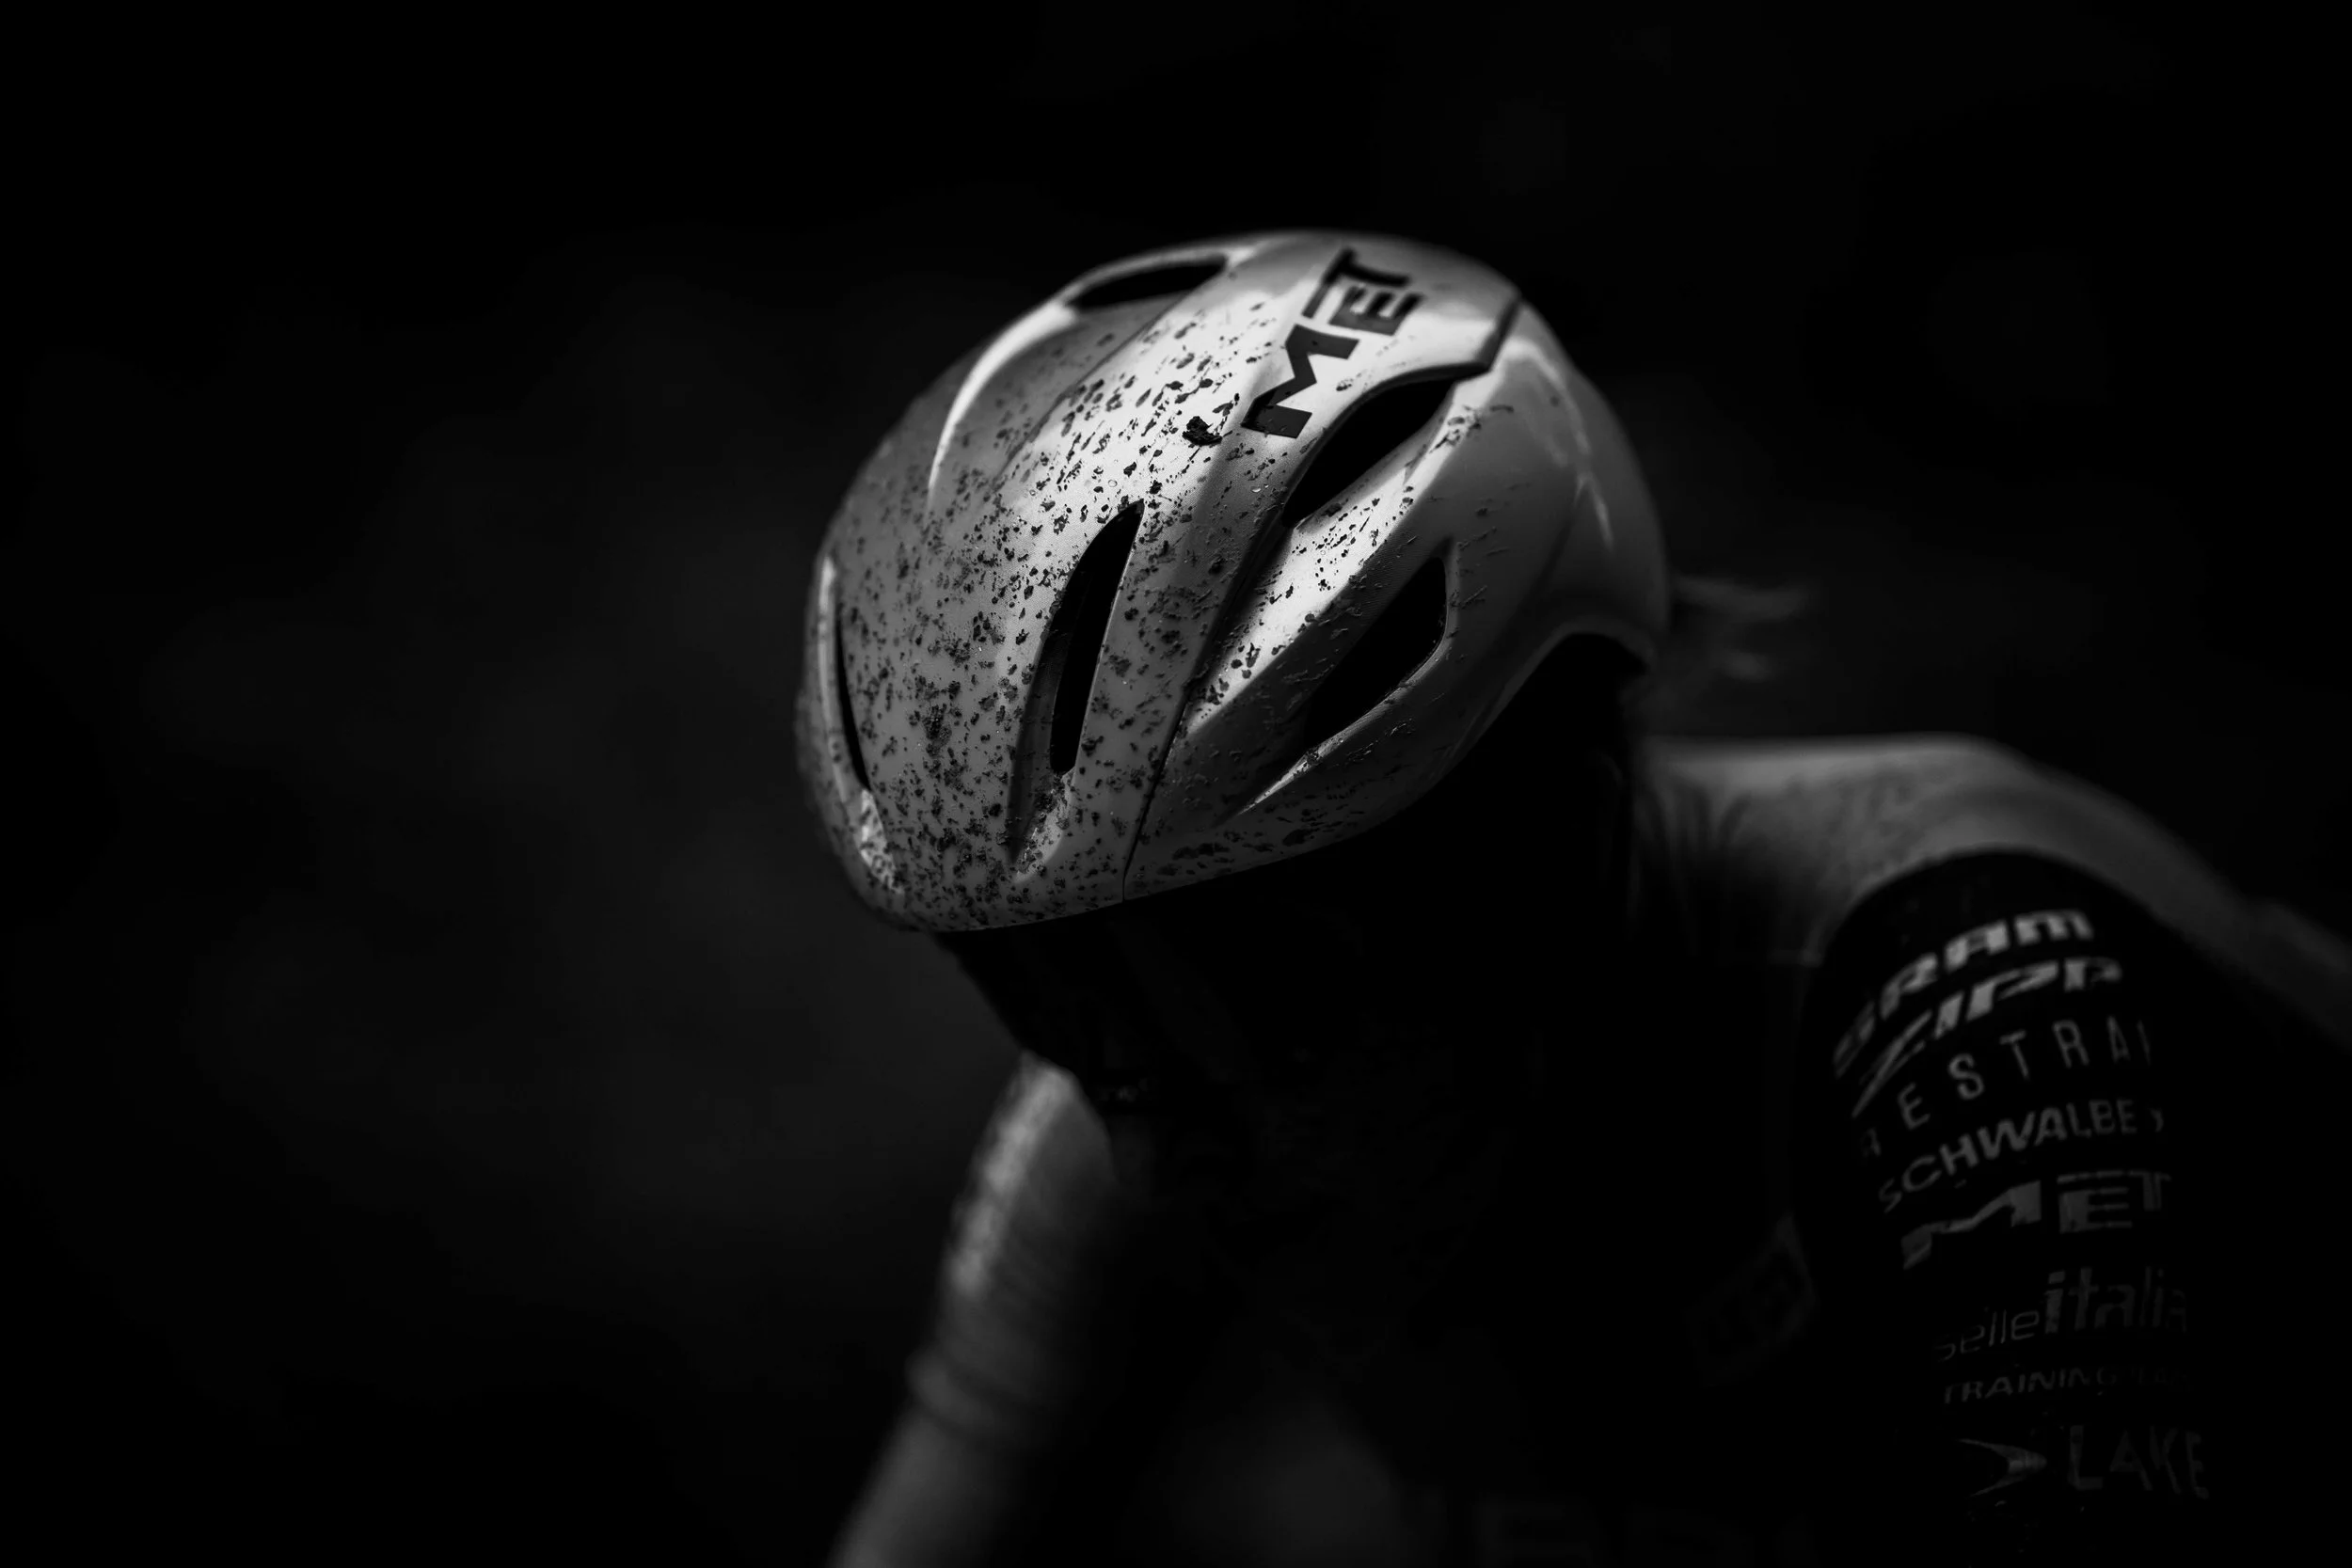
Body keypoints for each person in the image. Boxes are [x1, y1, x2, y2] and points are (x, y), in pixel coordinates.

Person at [797, 232, 2352, 1567]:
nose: (1155, 1160)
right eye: (1072, 1023)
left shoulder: (1978, 999)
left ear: (1544, 835)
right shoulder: (1143, 1124)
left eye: (1280, 1012)